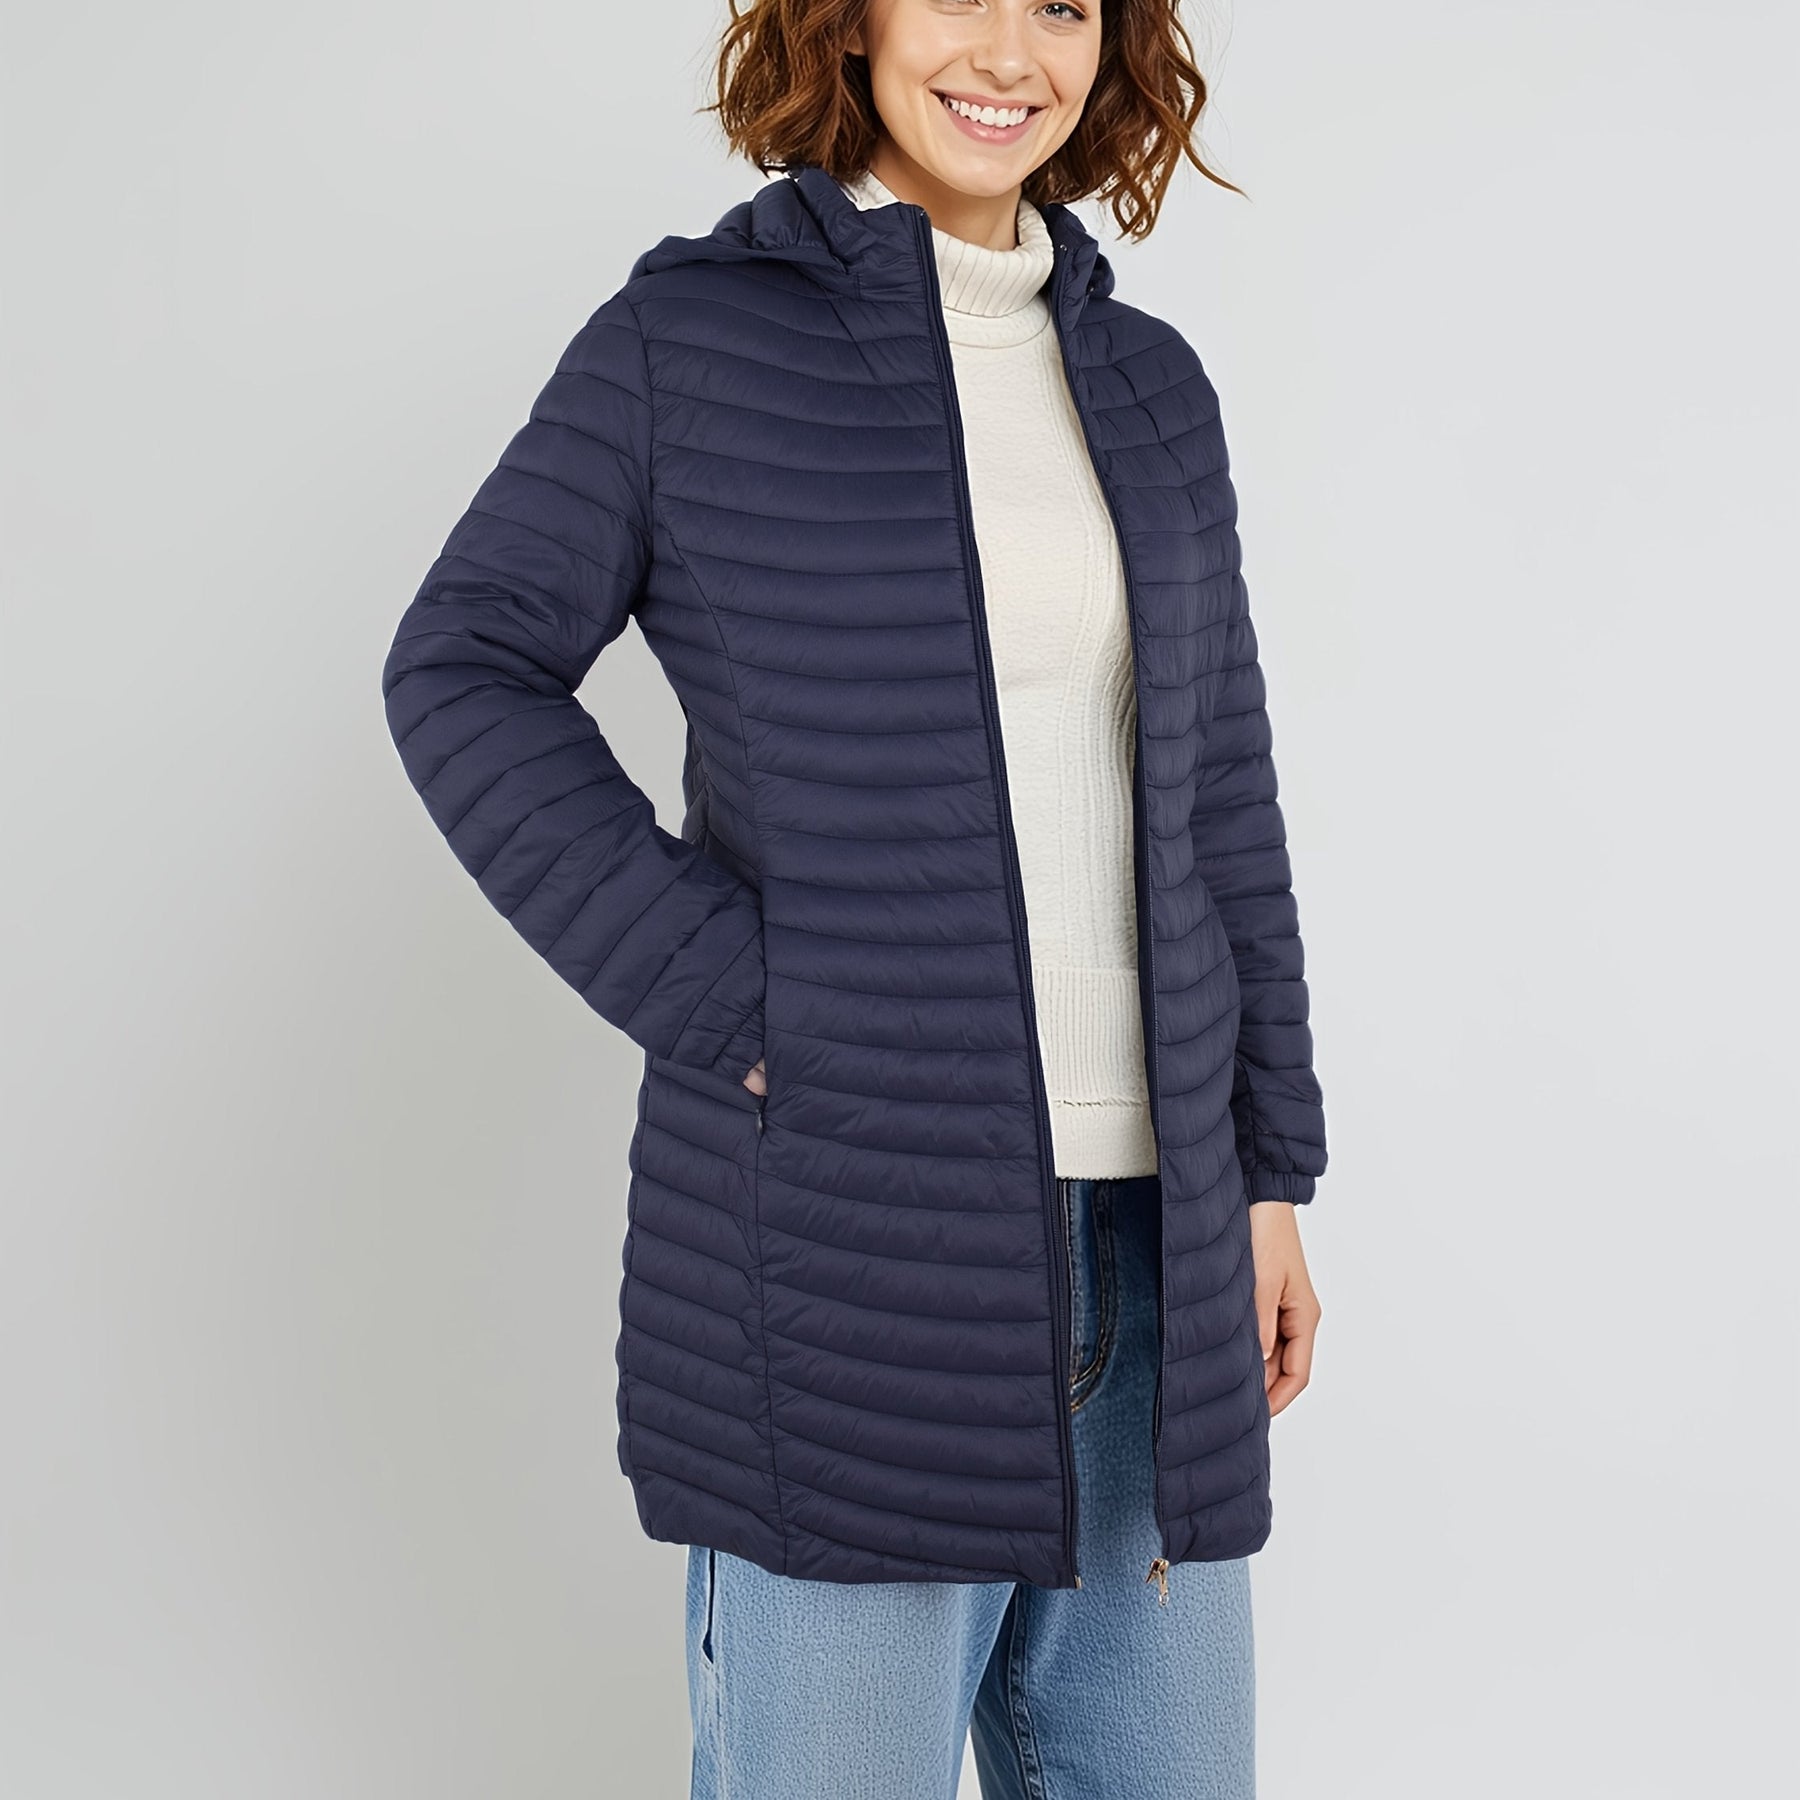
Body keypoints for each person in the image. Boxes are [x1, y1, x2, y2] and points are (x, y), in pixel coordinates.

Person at [382, 1, 1328, 1793]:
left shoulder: (1151, 386)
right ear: (853, 18)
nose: (1009, 52)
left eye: (1063, 3)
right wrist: (745, 1003)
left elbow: (1221, 791)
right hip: (850, 1255)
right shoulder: (691, 343)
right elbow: (464, 668)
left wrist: (1270, 1169)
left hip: (1161, 1260)